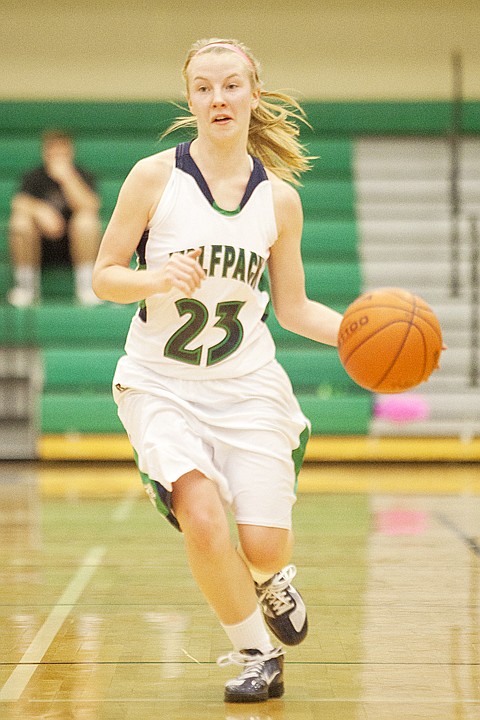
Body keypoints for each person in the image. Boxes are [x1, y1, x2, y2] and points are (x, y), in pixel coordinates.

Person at [92, 38, 343, 703]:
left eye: (231, 86)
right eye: (203, 88)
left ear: (253, 95)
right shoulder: (154, 178)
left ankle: (270, 579)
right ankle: (256, 653)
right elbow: (103, 277)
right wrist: (153, 277)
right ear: (191, 99)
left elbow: (291, 308)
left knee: (261, 544)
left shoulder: (278, 202)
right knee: (202, 518)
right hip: (161, 383)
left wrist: (355, 334)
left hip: (247, 386)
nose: (218, 99)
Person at [7, 129, 101, 306]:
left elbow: (90, 205)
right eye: (53, 152)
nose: (58, 157)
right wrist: (40, 210)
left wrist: (67, 178)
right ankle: (26, 286)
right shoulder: (34, 176)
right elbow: (18, 202)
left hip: (75, 247)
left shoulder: (83, 175)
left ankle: (86, 286)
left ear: (71, 152)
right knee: (20, 222)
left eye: (62, 153)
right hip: (41, 246)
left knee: (86, 221)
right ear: (45, 153)